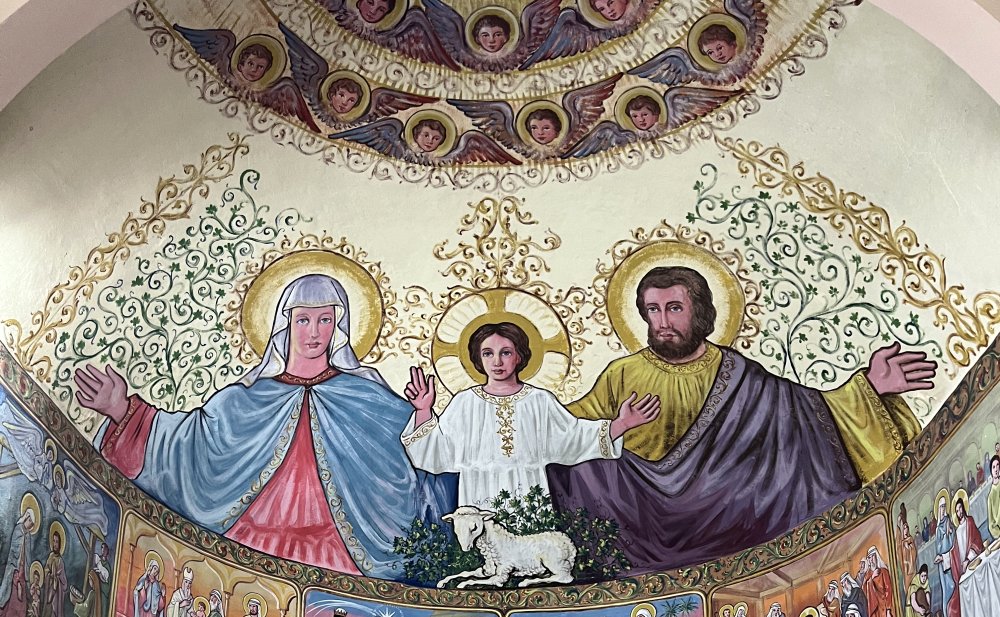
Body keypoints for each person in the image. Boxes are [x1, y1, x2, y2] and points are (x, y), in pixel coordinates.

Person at [547, 266, 932, 573]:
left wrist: (869, 386)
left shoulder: (737, 372)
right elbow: (566, 431)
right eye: (653, 310)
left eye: (674, 308)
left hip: (728, 514)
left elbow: (805, 416)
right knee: (583, 471)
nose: (662, 321)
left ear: (700, 311)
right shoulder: (622, 373)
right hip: (641, 516)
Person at [75, 274, 455, 579]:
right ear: (285, 324)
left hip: (344, 551)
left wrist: (423, 414)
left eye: (325, 320)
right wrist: (121, 409)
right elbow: (191, 443)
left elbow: (418, 457)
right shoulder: (245, 399)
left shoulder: (366, 395)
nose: (314, 332)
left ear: (338, 326)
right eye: (303, 320)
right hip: (254, 545)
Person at [402, 322, 659, 507]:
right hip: (478, 497)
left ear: (519, 356)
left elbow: (573, 438)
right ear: (478, 359)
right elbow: (437, 452)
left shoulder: (539, 401)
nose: (497, 362)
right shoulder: (465, 403)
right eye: (488, 353)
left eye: (506, 352)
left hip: (529, 494)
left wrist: (621, 424)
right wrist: (423, 411)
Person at [941, 494, 984, 617]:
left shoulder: (970, 521)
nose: (959, 512)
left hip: (973, 562)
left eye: (960, 508)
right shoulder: (958, 530)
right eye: (957, 510)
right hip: (964, 569)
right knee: (952, 607)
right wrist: (943, 558)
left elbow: (976, 541)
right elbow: (954, 551)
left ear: (964, 508)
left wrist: (967, 559)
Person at [0, 509, 35, 617]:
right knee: (12, 598)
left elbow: (27, 557)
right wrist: (17, 574)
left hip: (23, 573)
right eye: (30, 521)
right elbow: (13, 553)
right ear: (26, 518)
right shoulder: (18, 530)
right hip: (14, 570)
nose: (30, 524)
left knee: (21, 602)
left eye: (32, 523)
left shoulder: (28, 536)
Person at [858, 547, 892, 617]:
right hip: (873, 608)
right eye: (869, 558)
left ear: (876, 557)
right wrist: (872, 578)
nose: (871, 560)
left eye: (872, 557)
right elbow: (864, 591)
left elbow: (888, 590)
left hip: (884, 606)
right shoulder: (868, 574)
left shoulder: (883, 571)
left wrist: (888, 610)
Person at [41, 530, 66, 617]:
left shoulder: (60, 561)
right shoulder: (50, 556)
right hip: (49, 590)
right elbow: (46, 570)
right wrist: (50, 575)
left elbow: (64, 583)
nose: (55, 544)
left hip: (56, 595)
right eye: (54, 541)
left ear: (60, 544)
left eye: (57, 542)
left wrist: (57, 579)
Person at [989, 454, 1000, 541]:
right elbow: (991, 524)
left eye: (997, 465)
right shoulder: (990, 496)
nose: (996, 469)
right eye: (993, 467)